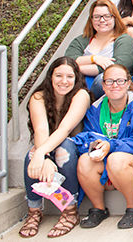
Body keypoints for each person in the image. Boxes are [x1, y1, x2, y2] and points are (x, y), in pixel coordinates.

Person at [74, 64, 133, 229]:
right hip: (105, 161)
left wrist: (112, 145)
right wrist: (96, 146)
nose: (115, 85)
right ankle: (98, 209)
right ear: (102, 85)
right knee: (84, 160)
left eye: (120, 81)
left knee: (116, 159)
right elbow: (87, 136)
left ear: (128, 83)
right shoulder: (95, 109)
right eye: (109, 81)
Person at [20, 57, 89, 238]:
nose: (64, 81)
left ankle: (69, 209)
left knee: (63, 149)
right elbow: (41, 129)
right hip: (48, 144)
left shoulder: (81, 95)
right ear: (51, 76)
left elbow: (64, 129)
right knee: (32, 155)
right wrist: (42, 156)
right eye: (59, 75)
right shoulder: (38, 97)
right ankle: (34, 210)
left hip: (73, 147)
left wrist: (44, 154)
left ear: (76, 79)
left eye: (69, 76)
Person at [65, 0, 133, 99]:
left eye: (107, 16)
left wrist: (76, 68)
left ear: (115, 18)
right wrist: (94, 59)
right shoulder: (82, 40)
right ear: (91, 19)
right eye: (97, 17)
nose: (102, 20)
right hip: (78, 84)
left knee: (101, 79)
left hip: (108, 89)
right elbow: (68, 60)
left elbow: (119, 67)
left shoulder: (124, 40)